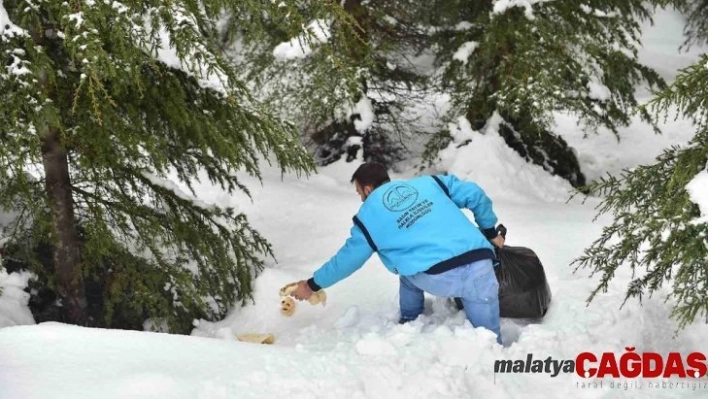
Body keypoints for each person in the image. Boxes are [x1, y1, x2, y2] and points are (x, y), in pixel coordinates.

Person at [287, 162, 505, 344]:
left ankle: (410, 324)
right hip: (481, 268)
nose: (361, 199)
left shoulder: (368, 216)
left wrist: (311, 285)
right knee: (489, 342)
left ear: (368, 190)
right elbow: (474, 194)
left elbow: (347, 260)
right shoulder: (431, 183)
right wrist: (489, 232)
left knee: (409, 275)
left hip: (438, 278)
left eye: (359, 193)